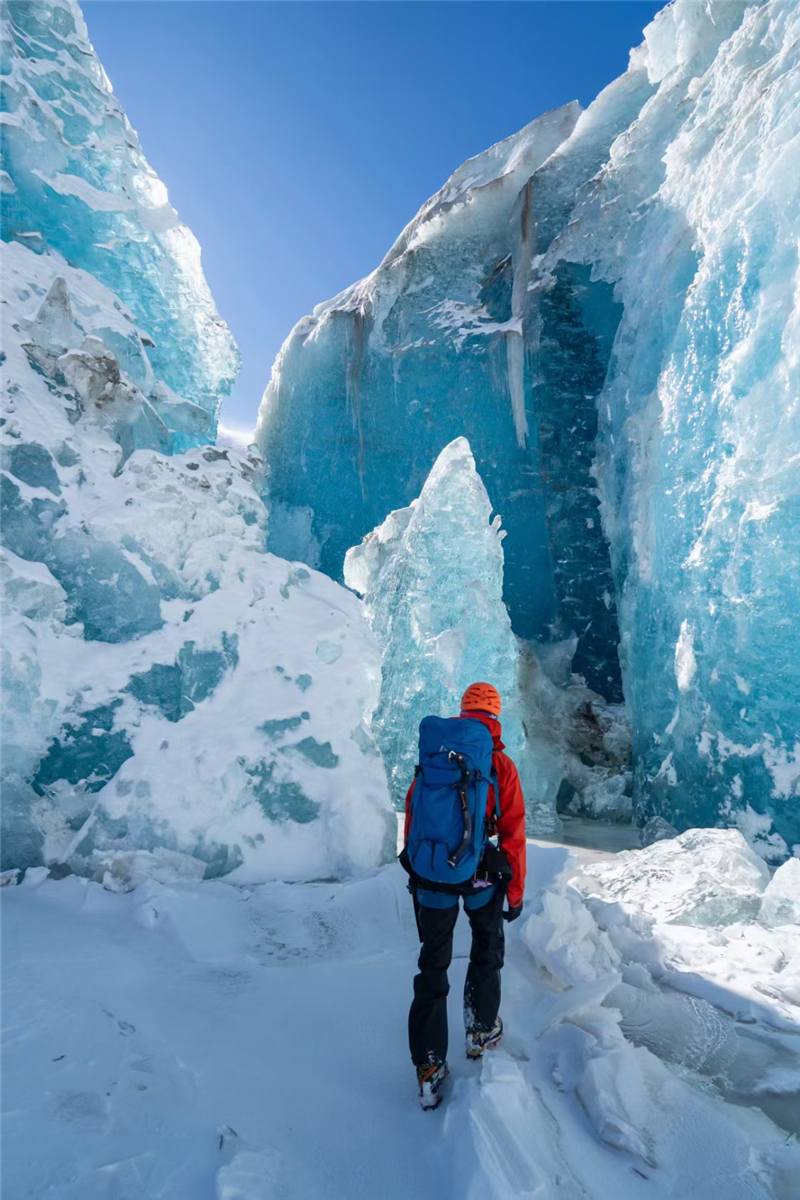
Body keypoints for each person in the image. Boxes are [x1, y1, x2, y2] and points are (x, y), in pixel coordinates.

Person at [403, 682, 526, 1108]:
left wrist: (419, 876)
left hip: (432, 875)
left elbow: (415, 816)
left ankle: (428, 1066)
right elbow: (513, 834)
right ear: (495, 717)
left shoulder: (433, 757)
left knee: (432, 966)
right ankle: (480, 1030)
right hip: (478, 877)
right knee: (486, 949)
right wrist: (515, 893)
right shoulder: (499, 765)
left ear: (463, 712)